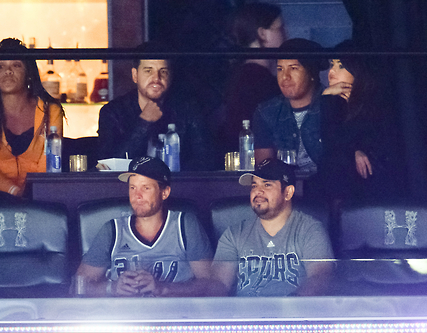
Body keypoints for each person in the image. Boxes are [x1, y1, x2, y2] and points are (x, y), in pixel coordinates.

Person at [75, 156, 213, 297]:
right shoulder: (112, 230)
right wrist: (112, 288)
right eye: (132, 188)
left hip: (173, 315)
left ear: (164, 192)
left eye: (146, 188)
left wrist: (163, 288)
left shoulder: (184, 225)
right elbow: (78, 286)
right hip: (123, 315)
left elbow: (212, 285)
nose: (137, 195)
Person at [211, 158, 334, 296]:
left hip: (293, 314)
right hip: (245, 315)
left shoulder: (310, 230)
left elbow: (321, 277)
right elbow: (218, 283)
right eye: (254, 186)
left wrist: (291, 306)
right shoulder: (234, 234)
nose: (258, 191)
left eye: (267, 185)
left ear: (288, 193)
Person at [97, 41, 214, 171]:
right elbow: (107, 166)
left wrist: (167, 176)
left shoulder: (187, 108)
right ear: (135, 75)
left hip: (176, 187)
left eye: (163, 71)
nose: (156, 78)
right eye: (148, 71)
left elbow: (206, 160)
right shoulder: (112, 112)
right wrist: (143, 122)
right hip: (127, 187)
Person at [318, 39, 398, 206]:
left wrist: (354, 150)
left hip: (372, 194)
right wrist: (326, 98)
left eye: (340, 66)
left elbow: (372, 142)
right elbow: (328, 143)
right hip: (340, 194)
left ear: (357, 69)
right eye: (332, 65)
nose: (332, 71)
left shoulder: (378, 104)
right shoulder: (333, 102)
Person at [216, 3, 286, 157]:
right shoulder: (259, 81)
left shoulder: (241, 76)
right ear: (262, 33)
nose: (285, 34)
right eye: (279, 28)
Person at [252, 38, 330, 173]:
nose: (285, 76)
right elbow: (265, 170)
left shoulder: (332, 106)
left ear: (311, 73)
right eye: (280, 69)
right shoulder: (266, 112)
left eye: (293, 68)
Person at [0, 38, 64, 196]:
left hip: (40, 197)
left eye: (16, 65)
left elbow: (50, 163)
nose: (8, 71)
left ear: (29, 72)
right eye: (1, 66)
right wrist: (14, 191)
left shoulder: (50, 111)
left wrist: (32, 194)